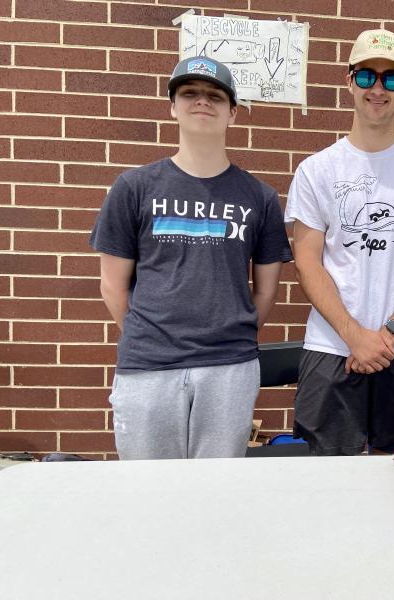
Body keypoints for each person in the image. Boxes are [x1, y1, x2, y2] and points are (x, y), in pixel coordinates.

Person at [89, 56, 293, 459]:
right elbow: (112, 285)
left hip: (228, 366)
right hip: (148, 365)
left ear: (233, 112)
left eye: (215, 96)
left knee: (215, 494)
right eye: (190, 93)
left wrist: (228, 334)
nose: (203, 102)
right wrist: (151, 335)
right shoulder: (134, 188)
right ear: (173, 106)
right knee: (148, 491)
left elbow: (266, 292)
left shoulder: (260, 197)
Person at [285, 29, 394, 455]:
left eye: (391, 78)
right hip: (332, 346)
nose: (378, 88)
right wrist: (354, 336)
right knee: (325, 476)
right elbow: (307, 263)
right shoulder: (316, 171)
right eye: (366, 76)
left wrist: (385, 335)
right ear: (349, 81)